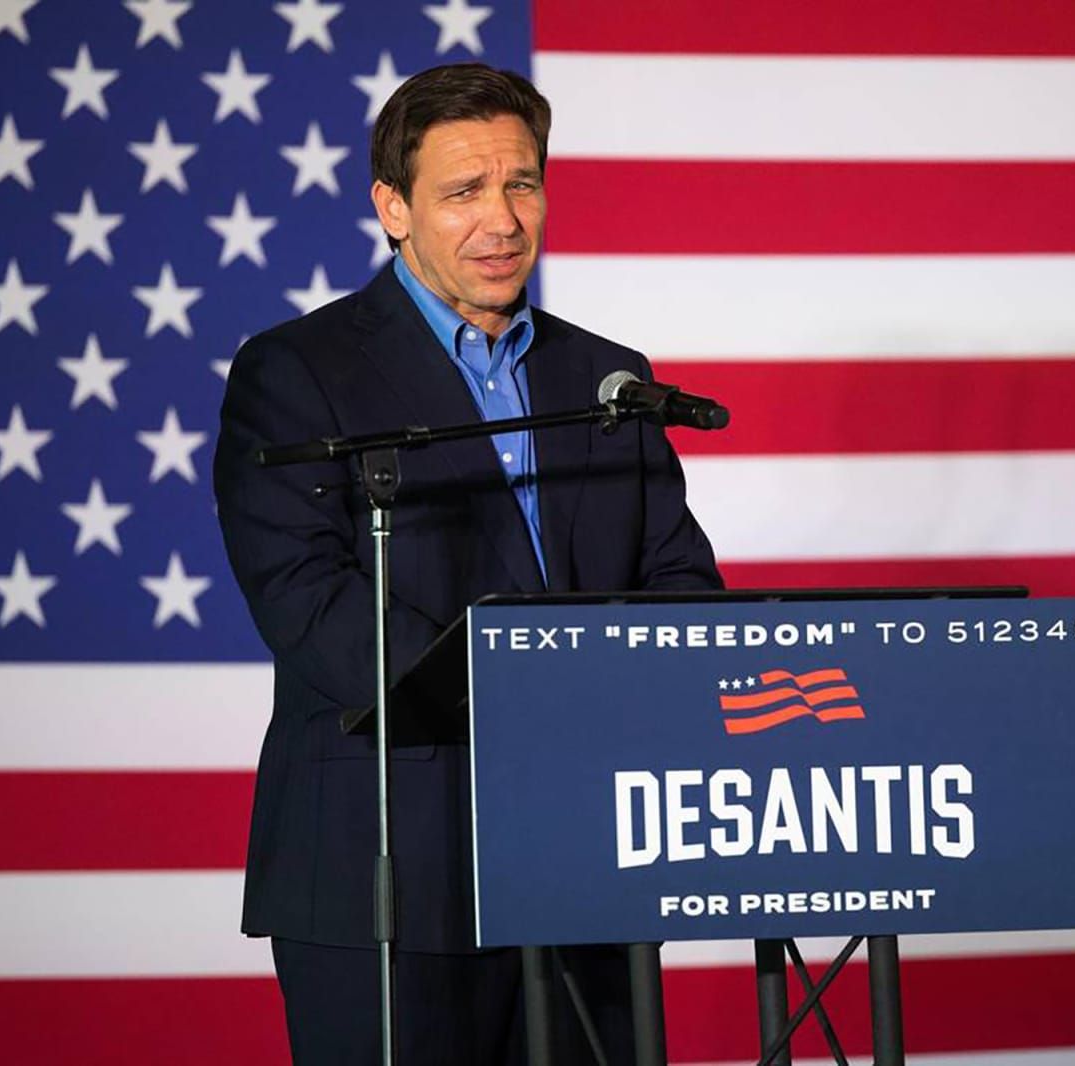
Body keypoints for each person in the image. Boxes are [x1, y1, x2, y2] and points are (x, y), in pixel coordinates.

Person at [213, 63, 722, 1064]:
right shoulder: (298, 370)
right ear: (393, 208)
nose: (503, 220)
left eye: (522, 183)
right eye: (464, 191)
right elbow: (310, 602)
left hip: (588, 859)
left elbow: (679, 584)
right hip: (390, 867)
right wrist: (528, 696)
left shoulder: (606, 377)